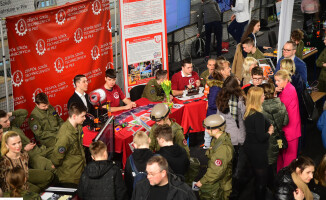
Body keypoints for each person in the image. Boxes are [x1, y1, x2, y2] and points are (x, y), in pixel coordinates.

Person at [243, 87, 274, 199]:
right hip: (258, 151)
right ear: (257, 99)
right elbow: (261, 137)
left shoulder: (248, 112)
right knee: (261, 180)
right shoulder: (258, 116)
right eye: (262, 95)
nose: (264, 97)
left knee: (255, 177)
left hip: (249, 148)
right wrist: (270, 132)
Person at [195, 114, 234, 200]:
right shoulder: (218, 138)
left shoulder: (223, 148)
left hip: (222, 185)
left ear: (217, 129)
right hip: (219, 179)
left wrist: (202, 182)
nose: (206, 130)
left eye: (208, 128)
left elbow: (215, 172)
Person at [51, 102, 87, 186]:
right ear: (74, 116)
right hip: (71, 176)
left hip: (80, 169)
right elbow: (57, 157)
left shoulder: (78, 126)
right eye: (82, 116)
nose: (85, 118)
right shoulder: (65, 135)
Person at [261, 83, 289, 188]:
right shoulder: (281, 105)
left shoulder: (259, 108)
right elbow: (286, 121)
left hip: (264, 141)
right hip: (277, 140)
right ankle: (273, 186)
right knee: (273, 165)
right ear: (274, 92)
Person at [131, 155, 196, 200]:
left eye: (152, 174)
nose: (148, 177)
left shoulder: (184, 191)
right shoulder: (140, 187)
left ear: (163, 173)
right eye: (147, 173)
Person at [216, 75, 245, 171]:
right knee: (238, 165)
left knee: (228, 163)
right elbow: (244, 116)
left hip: (226, 135)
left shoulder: (220, 97)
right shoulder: (240, 99)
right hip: (238, 137)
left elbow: (219, 117)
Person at [275, 70, 301, 172]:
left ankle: (286, 184)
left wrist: (274, 94)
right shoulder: (285, 89)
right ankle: (280, 182)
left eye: (278, 80)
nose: (276, 83)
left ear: (286, 80)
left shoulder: (289, 90)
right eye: (275, 80)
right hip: (284, 131)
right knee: (281, 158)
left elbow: (279, 108)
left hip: (290, 133)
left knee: (289, 161)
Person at [125, 131, 153, 197]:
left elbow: (127, 183)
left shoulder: (130, 159)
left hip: (136, 195)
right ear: (149, 140)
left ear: (134, 145)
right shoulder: (157, 158)